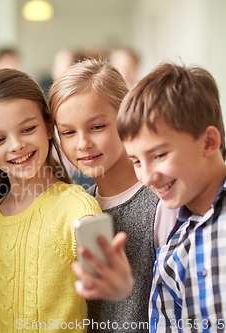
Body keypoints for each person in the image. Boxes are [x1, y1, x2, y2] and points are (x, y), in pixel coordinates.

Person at [0, 68, 102, 333]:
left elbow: (102, 274)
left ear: (49, 127)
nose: (16, 145)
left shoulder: (76, 206)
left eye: (27, 129)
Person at [50, 59, 177, 332]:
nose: (83, 143)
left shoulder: (162, 202)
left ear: (125, 119)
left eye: (97, 127)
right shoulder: (77, 205)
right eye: (68, 132)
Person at [117, 62, 226, 332]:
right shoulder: (172, 249)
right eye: (136, 161)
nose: (148, 177)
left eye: (160, 155)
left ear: (209, 142)